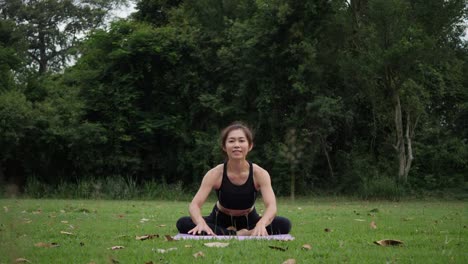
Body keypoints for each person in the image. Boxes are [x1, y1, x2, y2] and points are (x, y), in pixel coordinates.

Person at [176, 122, 291, 236]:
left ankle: (232, 233)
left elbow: (271, 206)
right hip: (219, 219)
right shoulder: (215, 173)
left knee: (284, 224)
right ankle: (240, 234)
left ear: (250, 146)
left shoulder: (260, 173)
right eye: (231, 141)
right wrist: (200, 223)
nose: (236, 145)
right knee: (183, 223)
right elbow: (194, 205)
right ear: (224, 146)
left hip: (249, 219)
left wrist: (261, 224)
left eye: (241, 141)